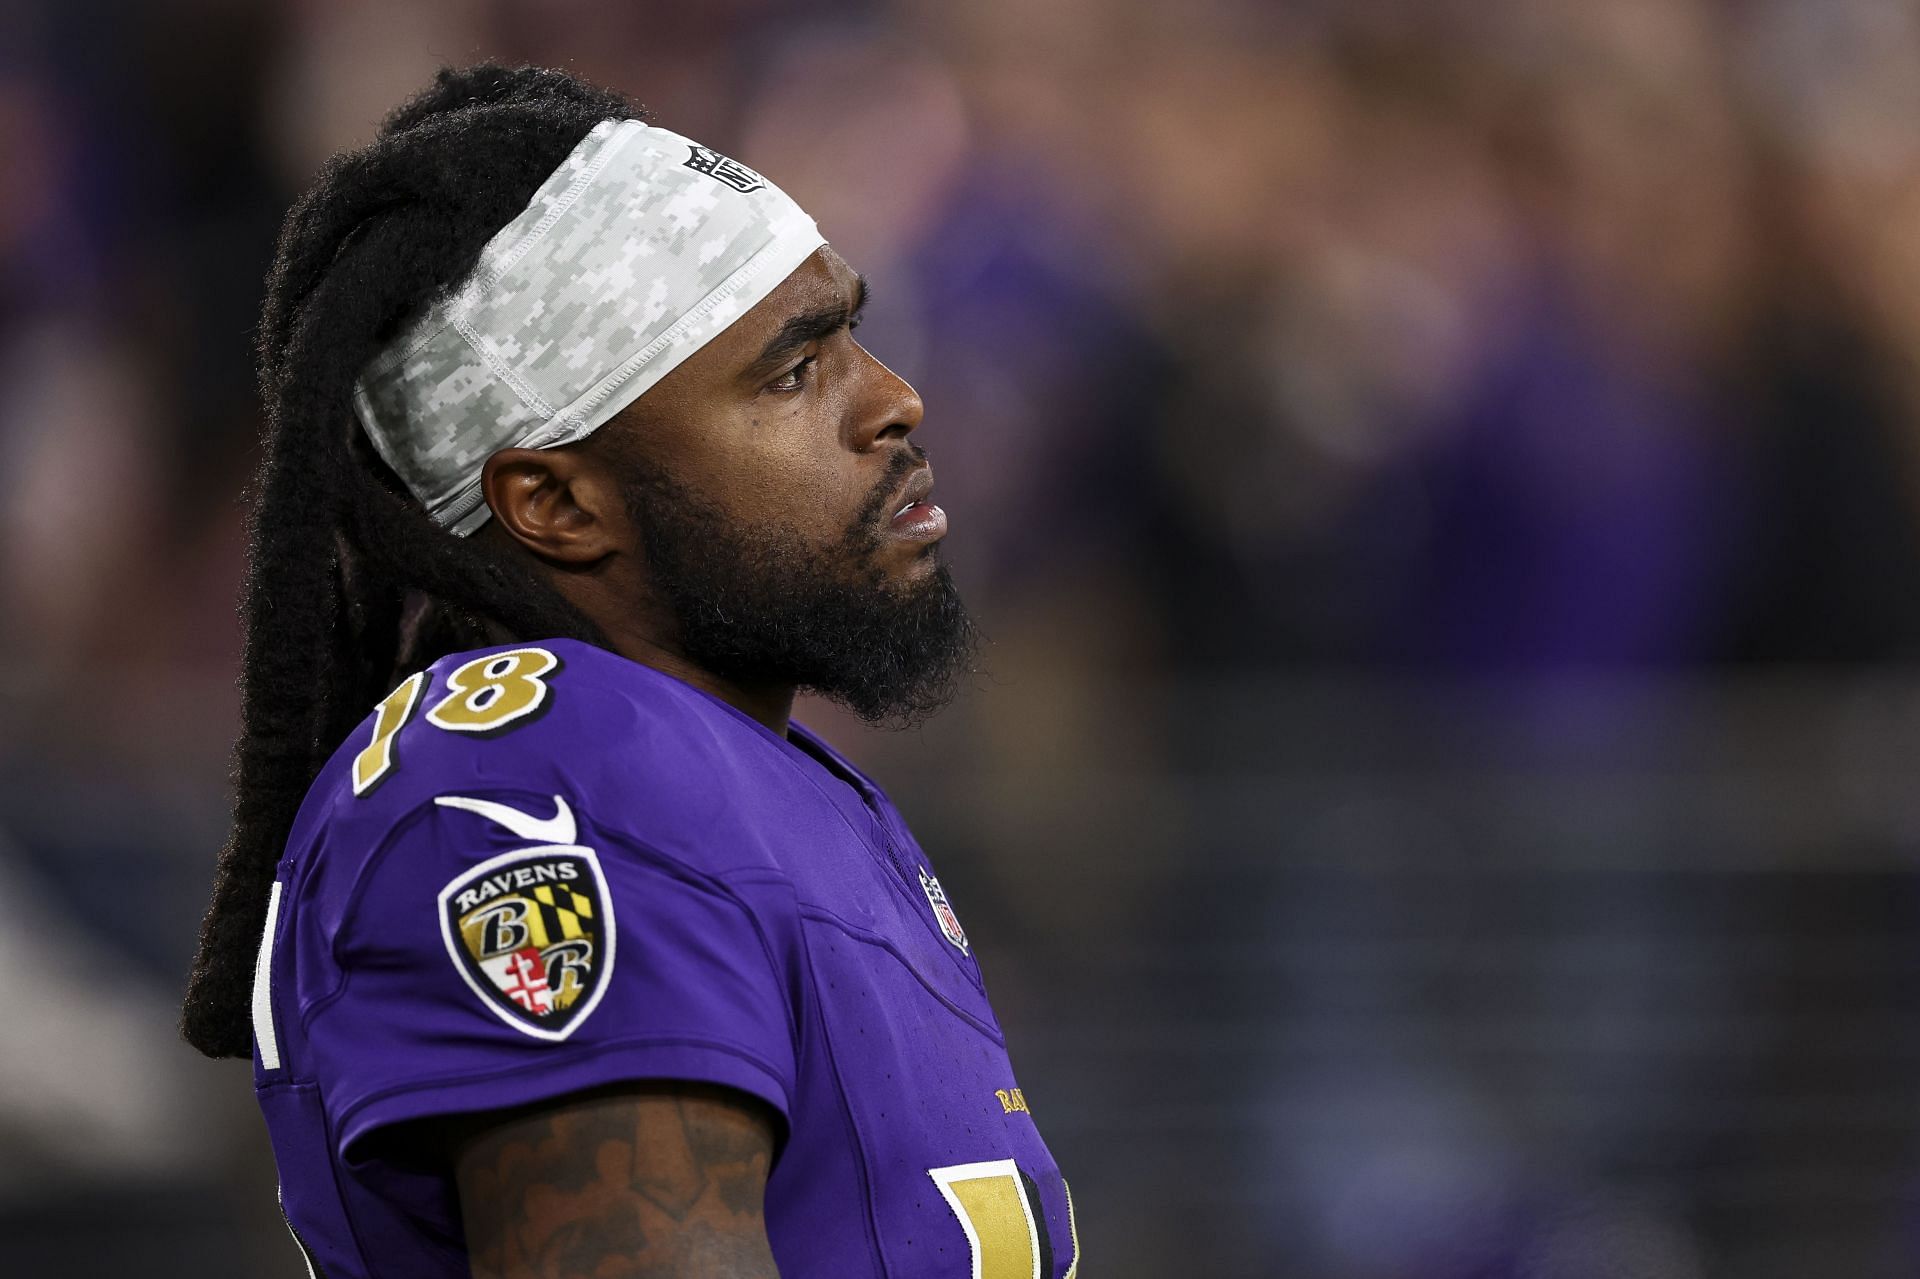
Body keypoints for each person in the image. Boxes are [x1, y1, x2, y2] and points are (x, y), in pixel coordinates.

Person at [180, 63, 1078, 1279]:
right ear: (555, 501)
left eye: (852, 333)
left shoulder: (758, 770)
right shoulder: (549, 772)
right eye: (793, 370)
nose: (895, 402)